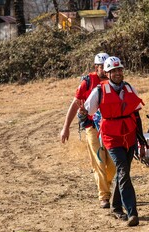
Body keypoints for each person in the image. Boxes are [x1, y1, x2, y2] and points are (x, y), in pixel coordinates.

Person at [82, 56, 146, 227]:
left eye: (120, 70)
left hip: (130, 136)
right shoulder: (99, 91)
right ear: (107, 73)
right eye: (113, 71)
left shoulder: (130, 88)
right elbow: (86, 112)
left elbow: (137, 114)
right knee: (123, 170)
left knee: (122, 173)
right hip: (111, 138)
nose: (118, 73)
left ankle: (116, 207)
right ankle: (132, 212)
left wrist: (142, 140)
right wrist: (88, 125)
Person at [60, 52, 116, 209]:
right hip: (92, 128)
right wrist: (66, 128)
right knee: (99, 161)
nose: (106, 71)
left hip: (110, 128)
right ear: (96, 67)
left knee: (113, 164)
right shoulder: (87, 82)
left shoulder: (114, 82)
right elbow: (75, 103)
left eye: (107, 68)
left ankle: (106, 183)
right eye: (102, 68)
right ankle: (104, 196)